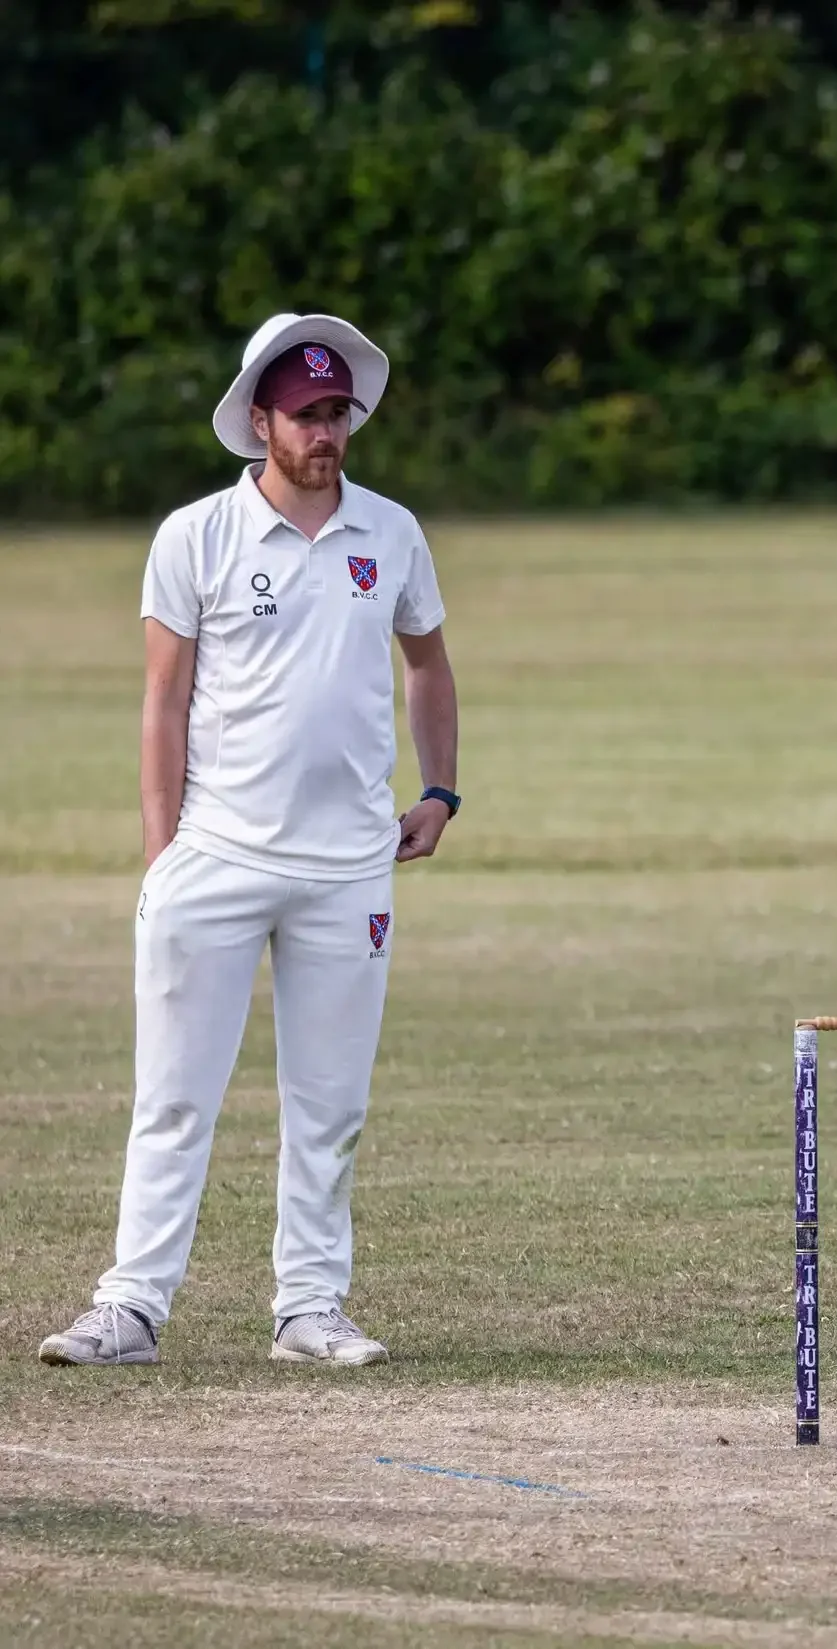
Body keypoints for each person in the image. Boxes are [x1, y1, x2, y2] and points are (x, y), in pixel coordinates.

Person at [38, 313, 461, 1368]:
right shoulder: (196, 536)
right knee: (174, 1097)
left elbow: (429, 665)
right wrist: (161, 851)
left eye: (338, 414)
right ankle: (130, 1307)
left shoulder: (390, 533)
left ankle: (310, 1309)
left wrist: (442, 790)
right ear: (259, 420)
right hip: (217, 856)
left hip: (349, 864)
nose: (327, 432)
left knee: (330, 1105)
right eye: (307, 415)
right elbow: (162, 701)